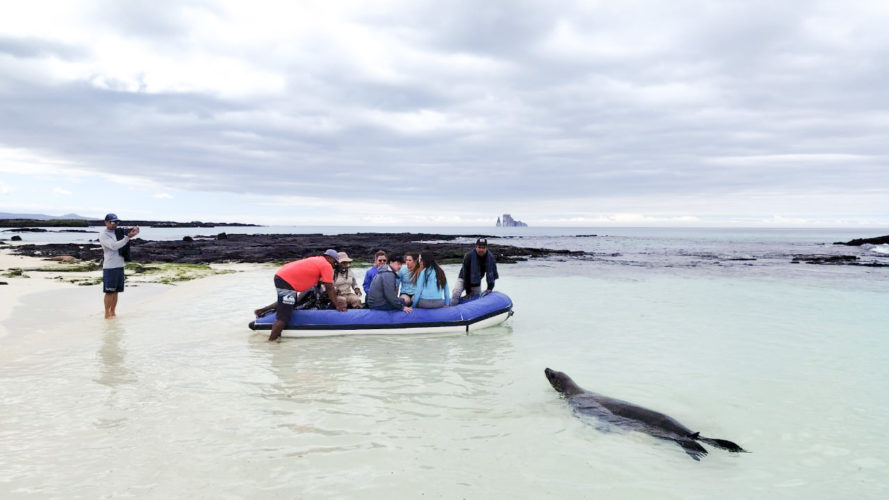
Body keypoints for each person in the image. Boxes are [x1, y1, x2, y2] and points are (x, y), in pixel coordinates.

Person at [254, 249, 347, 341]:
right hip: (286, 281)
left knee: (290, 302)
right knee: (284, 315)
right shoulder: (326, 265)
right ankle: (271, 342)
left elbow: (318, 283)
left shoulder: (317, 260)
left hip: (281, 276)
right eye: (335, 262)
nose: (334, 265)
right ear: (330, 258)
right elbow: (329, 287)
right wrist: (337, 305)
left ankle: (261, 311)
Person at [99, 213, 139, 319]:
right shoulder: (104, 234)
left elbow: (128, 231)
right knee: (109, 291)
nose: (115, 224)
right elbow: (113, 246)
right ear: (106, 222)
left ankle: (113, 312)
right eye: (112, 222)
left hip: (119, 265)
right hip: (110, 267)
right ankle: (107, 314)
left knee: (116, 291)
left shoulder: (118, 232)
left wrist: (134, 230)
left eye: (117, 222)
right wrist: (127, 238)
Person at [451, 238, 498, 303]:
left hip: (476, 281)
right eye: (479, 247)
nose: (481, 249)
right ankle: (452, 309)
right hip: (463, 278)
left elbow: (492, 274)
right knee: (456, 293)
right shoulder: (468, 256)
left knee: (477, 301)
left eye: (483, 248)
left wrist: (490, 288)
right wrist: (468, 292)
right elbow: (466, 274)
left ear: (486, 248)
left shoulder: (490, 257)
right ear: (476, 247)